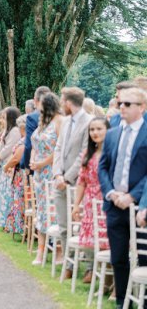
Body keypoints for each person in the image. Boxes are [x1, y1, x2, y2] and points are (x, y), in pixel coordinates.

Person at [101, 87, 147, 309]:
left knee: (144, 258)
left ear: (142, 107)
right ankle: (123, 302)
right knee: (118, 257)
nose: (122, 107)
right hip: (114, 204)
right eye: (120, 103)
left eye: (128, 104)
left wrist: (132, 196)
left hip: (140, 205)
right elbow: (103, 168)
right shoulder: (112, 134)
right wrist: (111, 192)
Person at [53, 87, 93, 279]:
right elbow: (59, 148)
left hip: (78, 182)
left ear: (69, 103)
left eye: (62, 101)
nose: (61, 104)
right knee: (63, 224)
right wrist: (57, 174)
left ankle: (89, 266)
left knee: (83, 224)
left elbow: (84, 153)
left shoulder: (89, 122)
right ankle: (69, 264)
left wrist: (68, 177)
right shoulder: (66, 121)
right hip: (60, 180)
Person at [71, 117, 110, 284]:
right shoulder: (88, 153)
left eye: (99, 129)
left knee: (106, 241)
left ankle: (108, 279)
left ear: (108, 130)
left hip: (106, 200)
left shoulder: (111, 152)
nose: (95, 132)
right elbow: (81, 181)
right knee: (90, 242)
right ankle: (94, 270)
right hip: (89, 201)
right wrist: (76, 205)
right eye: (92, 130)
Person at [30, 92, 64, 265]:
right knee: (42, 212)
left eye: (40, 104)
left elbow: (59, 149)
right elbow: (35, 144)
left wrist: (42, 163)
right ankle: (41, 250)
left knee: (54, 212)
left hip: (51, 171)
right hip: (39, 175)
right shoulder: (43, 122)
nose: (37, 106)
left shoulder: (59, 121)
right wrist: (33, 160)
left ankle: (58, 251)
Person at [0, 106, 21, 227]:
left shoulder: (15, 131)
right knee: (2, 191)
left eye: (4, 118)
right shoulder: (7, 130)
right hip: (3, 163)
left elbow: (9, 147)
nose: (2, 120)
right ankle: (3, 219)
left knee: (7, 192)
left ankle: (8, 221)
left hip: (8, 164)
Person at [3, 115, 27, 234]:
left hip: (20, 174)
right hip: (17, 173)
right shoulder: (24, 138)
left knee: (19, 200)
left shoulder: (24, 140)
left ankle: (20, 227)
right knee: (17, 199)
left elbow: (16, 158)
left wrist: (6, 166)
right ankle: (17, 225)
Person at [21, 86, 51, 171]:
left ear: (35, 99)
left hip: (38, 165)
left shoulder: (32, 117)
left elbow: (29, 145)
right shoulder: (59, 116)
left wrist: (27, 165)